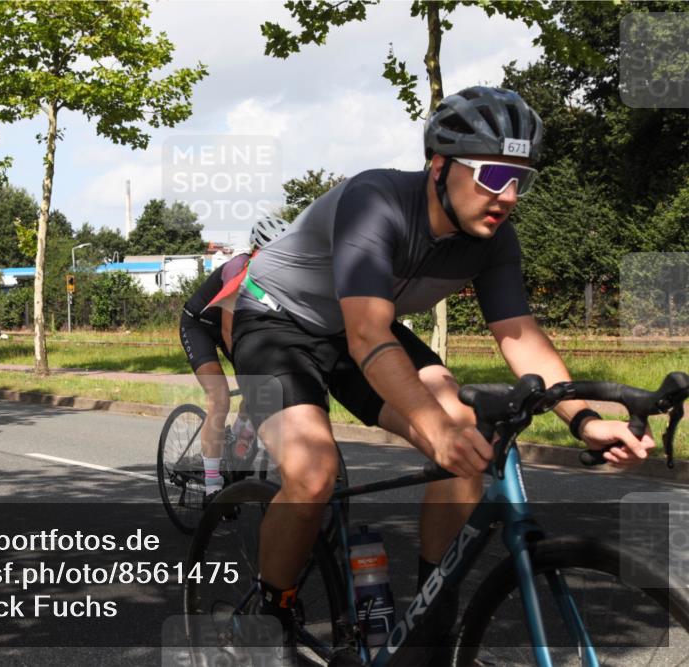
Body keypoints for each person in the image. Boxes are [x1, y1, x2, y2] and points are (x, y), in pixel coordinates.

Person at [229, 86, 655, 663]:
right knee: (313, 471)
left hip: (357, 329)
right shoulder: (375, 199)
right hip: (275, 323)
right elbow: (368, 336)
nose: (507, 195)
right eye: (492, 174)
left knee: (465, 431)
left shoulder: (494, 238)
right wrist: (433, 430)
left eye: (521, 180)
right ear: (439, 165)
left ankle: (431, 619)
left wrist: (583, 419)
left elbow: (520, 336)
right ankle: (272, 605)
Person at [179, 215, 291, 502]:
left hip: (233, 328)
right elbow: (228, 330)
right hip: (200, 326)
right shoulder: (238, 269)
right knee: (220, 398)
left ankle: (239, 434)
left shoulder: (280, 273)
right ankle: (212, 486)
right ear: (256, 251)